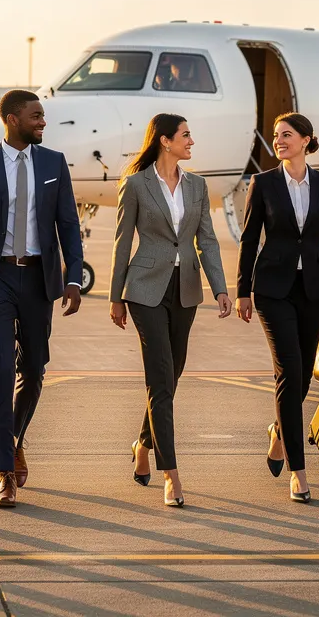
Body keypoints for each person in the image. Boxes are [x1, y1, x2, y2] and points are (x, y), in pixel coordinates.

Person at [0, 89, 84, 508]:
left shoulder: (53, 163)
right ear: (11, 119)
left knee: (34, 368)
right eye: (35, 116)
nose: (42, 123)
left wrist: (74, 279)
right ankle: (4, 473)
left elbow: (69, 224)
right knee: (3, 370)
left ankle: (13, 437)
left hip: (39, 279)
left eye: (43, 117)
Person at [109, 114, 231, 508]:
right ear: (165, 141)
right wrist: (115, 296)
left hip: (186, 290)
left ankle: (142, 444)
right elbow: (122, 241)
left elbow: (206, 241)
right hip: (144, 290)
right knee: (161, 380)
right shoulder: (135, 184)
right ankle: (171, 475)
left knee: (171, 375)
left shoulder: (197, 185)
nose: (191, 142)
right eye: (185, 136)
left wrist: (220, 288)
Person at [236, 113, 319, 503]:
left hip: (316, 290)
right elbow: (249, 239)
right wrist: (243, 291)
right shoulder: (263, 183)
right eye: (275, 136)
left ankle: (278, 432)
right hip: (272, 290)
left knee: (303, 378)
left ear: (305, 140)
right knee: (288, 371)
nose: (278, 141)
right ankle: (299, 473)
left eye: (286, 135)